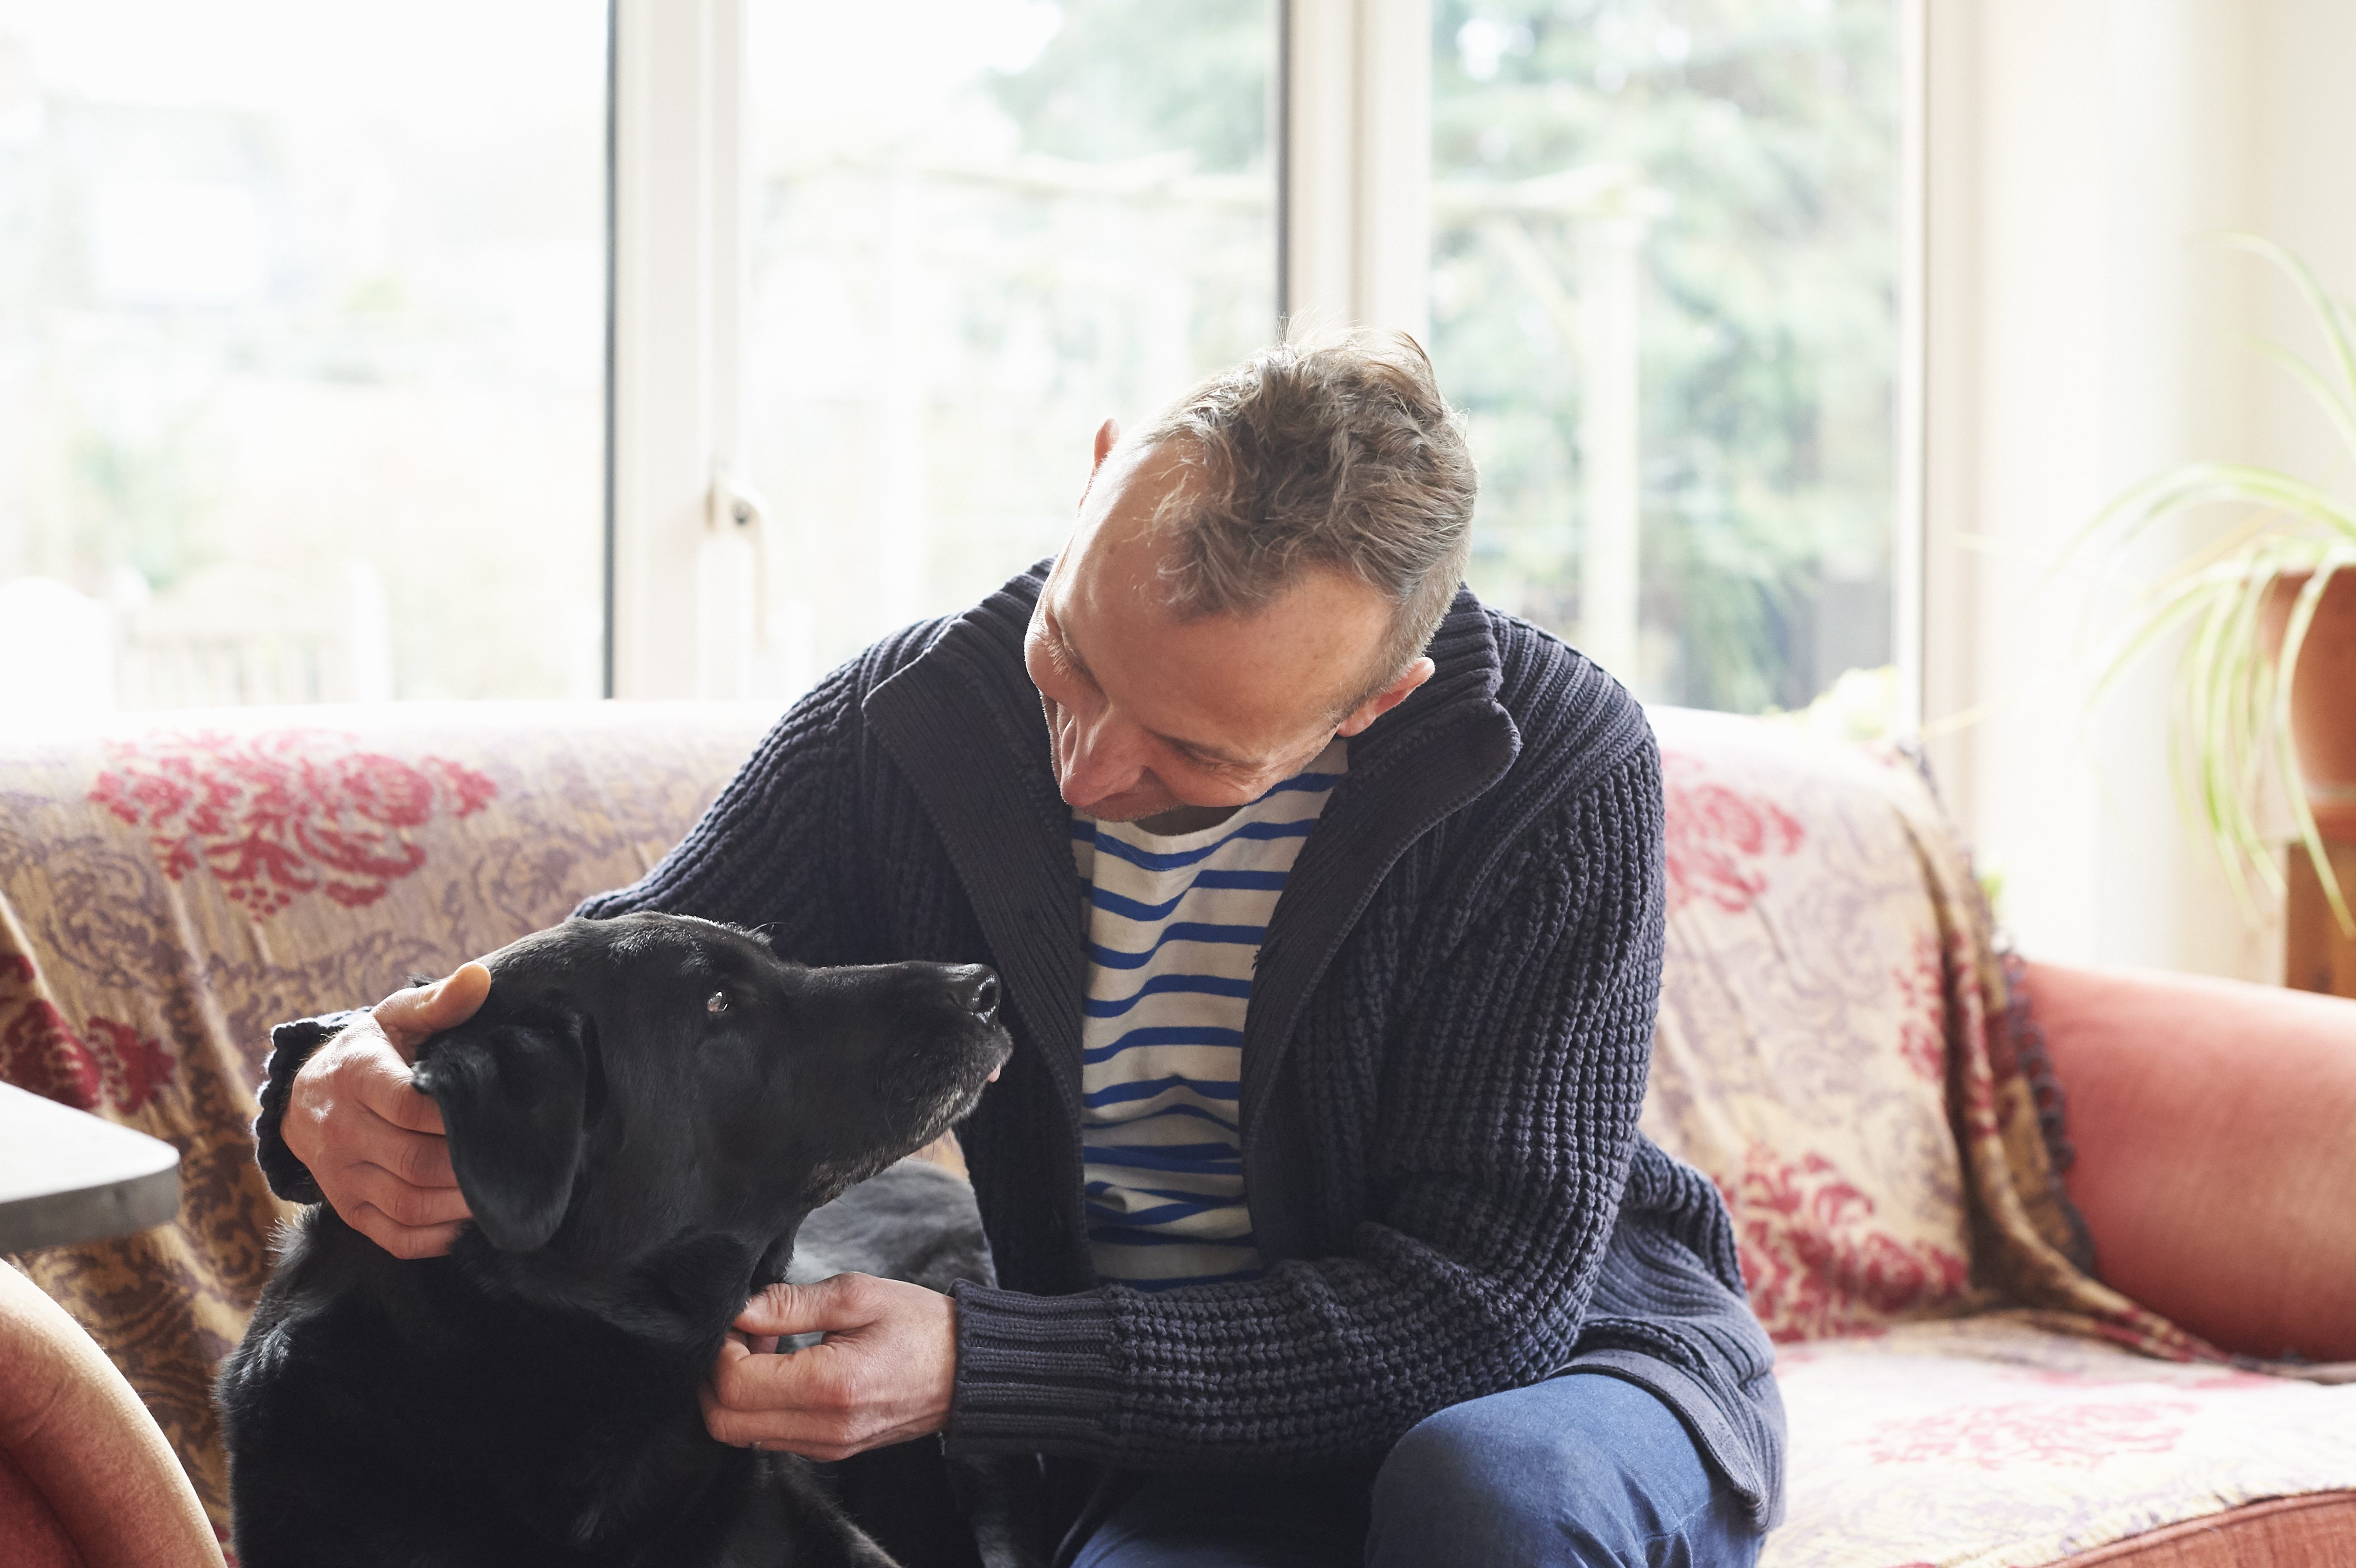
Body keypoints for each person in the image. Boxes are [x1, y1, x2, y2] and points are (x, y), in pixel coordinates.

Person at [262, 329, 1783, 1567]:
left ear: (1370, 704)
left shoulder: (1552, 765)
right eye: (1072, 657)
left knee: (1477, 1502)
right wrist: (330, 1080)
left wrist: (984, 1367)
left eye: (1189, 752)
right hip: (1190, 1455)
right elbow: (614, 999)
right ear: (1099, 476)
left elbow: (1480, 1304)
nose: (1084, 768)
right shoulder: (912, 724)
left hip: (1568, 1382)